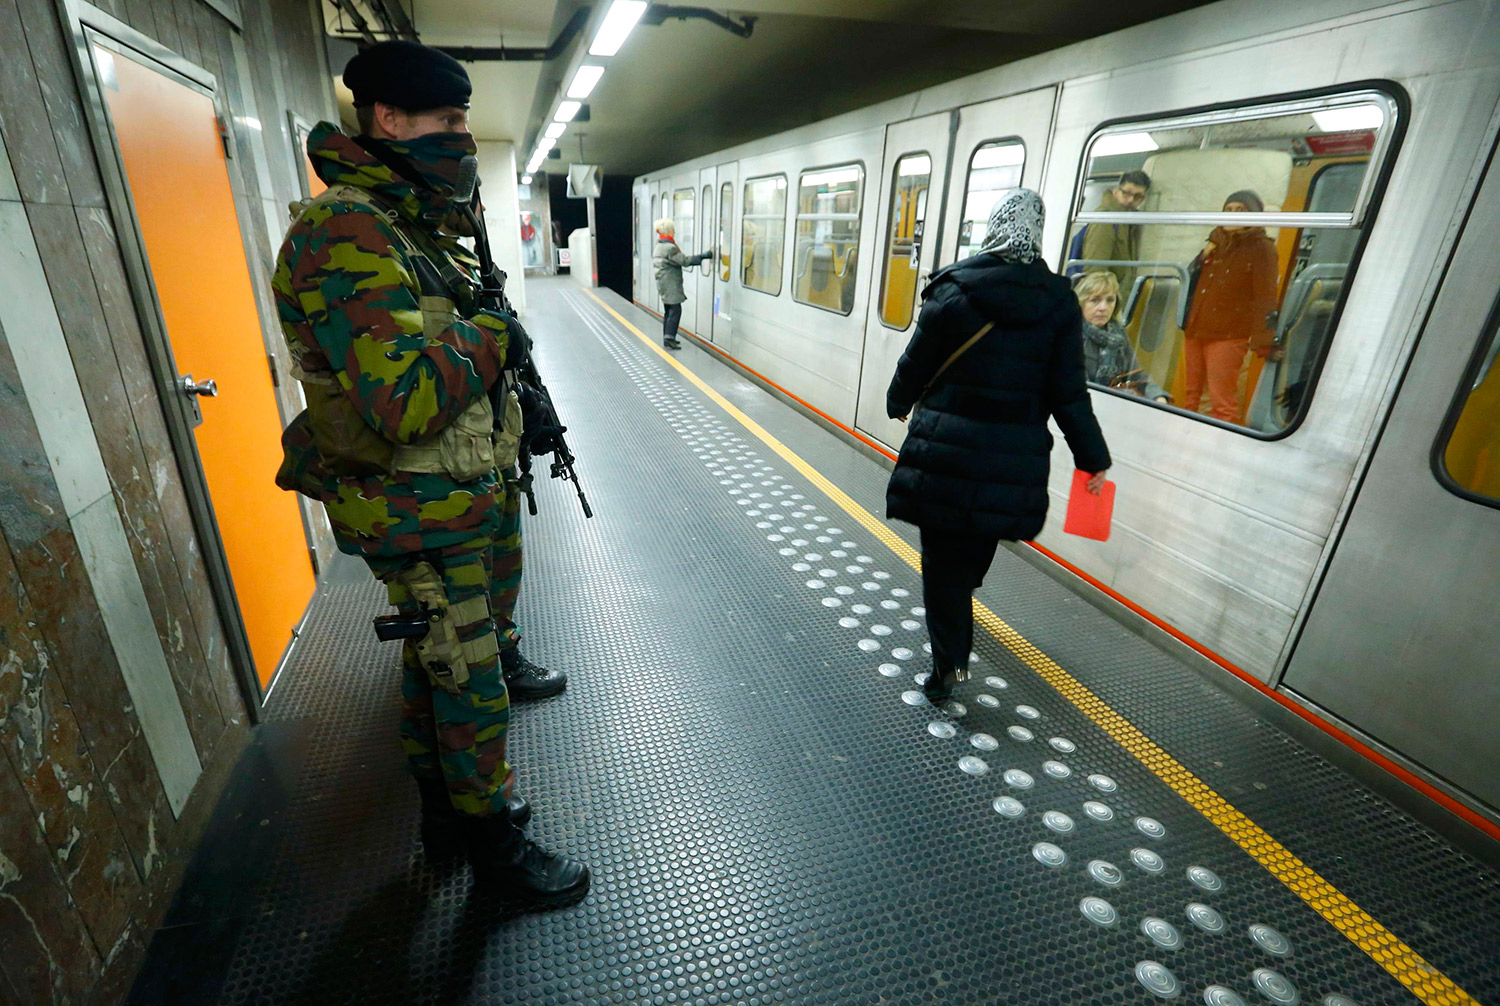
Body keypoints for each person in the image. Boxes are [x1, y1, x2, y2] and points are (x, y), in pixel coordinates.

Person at [271, 39, 587, 906]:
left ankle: (448, 818)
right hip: (415, 504)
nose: (460, 135)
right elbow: (403, 402)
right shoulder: (346, 232)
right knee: (468, 677)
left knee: (439, 665)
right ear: (388, 119)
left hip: (455, 494)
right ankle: (493, 852)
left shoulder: (410, 223)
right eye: (447, 119)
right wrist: (491, 335)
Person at [885, 190, 1111, 702]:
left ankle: (951, 664)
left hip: (946, 451)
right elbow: (1068, 393)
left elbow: (915, 363)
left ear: (994, 227)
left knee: (941, 563)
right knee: (972, 547)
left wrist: (897, 402)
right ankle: (960, 609)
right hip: (1011, 459)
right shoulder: (1058, 303)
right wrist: (1092, 458)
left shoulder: (954, 288)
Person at [1181, 190, 1279, 423]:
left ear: (1254, 216)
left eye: (1241, 210)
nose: (1233, 215)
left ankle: (1217, 451)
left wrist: (1265, 340)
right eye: (1229, 210)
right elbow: (1188, 281)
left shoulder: (1261, 248)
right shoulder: (1215, 243)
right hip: (1196, 329)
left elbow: (1265, 297)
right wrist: (1201, 257)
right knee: (1191, 398)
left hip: (1228, 334)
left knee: (1221, 402)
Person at [1075, 271, 1171, 403]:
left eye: (1110, 300)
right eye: (1094, 300)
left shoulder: (1118, 333)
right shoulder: (1069, 335)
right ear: (1080, 303)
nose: (1103, 307)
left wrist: (1158, 396)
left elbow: (1136, 374)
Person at [1076, 170, 1151, 289]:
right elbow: (1095, 270)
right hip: (1104, 298)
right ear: (1116, 191)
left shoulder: (1128, 222)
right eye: (1126, 193)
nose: (1131, 200)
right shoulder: (1105, 220)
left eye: (1137, 196)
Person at [653, 218, 712, 348]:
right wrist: (703, 256)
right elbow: (684, 261)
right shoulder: (669, 248)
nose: (675, 232)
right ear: (668, 231)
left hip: (663, 282)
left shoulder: (659, 245)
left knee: (669, 310)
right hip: (670, 284)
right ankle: (669, 338)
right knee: (675, 310)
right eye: (673, 229)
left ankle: (667, 337)